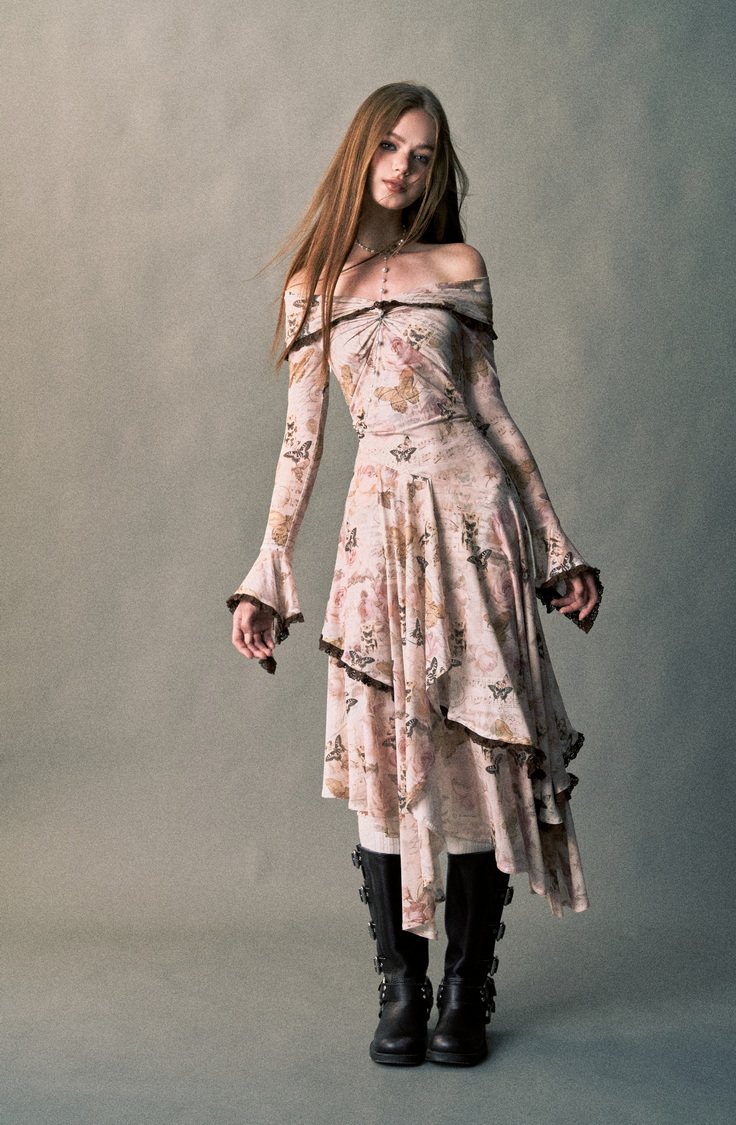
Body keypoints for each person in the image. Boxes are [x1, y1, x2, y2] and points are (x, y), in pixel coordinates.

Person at [227, 82, 603, 1067]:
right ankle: (402, 990)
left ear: (438, 171)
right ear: (361, 151)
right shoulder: (313, 284)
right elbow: (302, 441)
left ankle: (466, 992)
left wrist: (558, 547)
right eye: (390, 147)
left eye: (423, 154)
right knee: (385, 759)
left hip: (476, 525)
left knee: (476, 754)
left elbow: (494, 413)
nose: (403, 166)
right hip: (377, 539)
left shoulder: (458, 267)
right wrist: (268, 570)